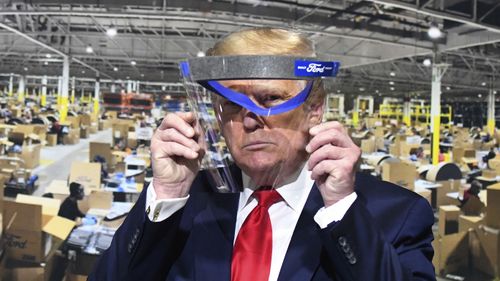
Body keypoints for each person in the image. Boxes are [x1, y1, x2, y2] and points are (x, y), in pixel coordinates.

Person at [89, 28, 435, 281]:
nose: (250, 121)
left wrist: (342, 210)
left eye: (270, 99)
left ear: (315, 108)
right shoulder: (184, 203)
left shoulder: (395, 214)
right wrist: (166, 195)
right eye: (230, 104)